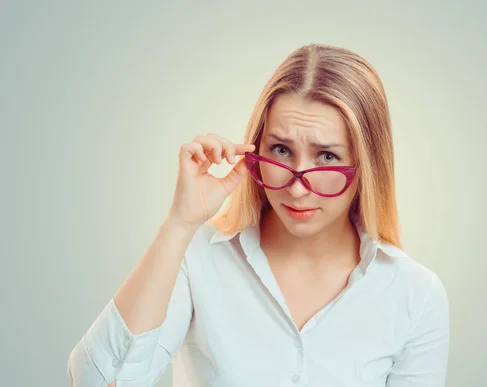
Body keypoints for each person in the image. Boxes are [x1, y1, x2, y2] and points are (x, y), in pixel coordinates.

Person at [67, 43, 450, 387]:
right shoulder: (198, 257)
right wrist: (180, 223)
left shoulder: (414, 295)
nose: (297, 187)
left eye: (327, 157)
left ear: (366, 165)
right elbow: (100, 382)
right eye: (281, 150)